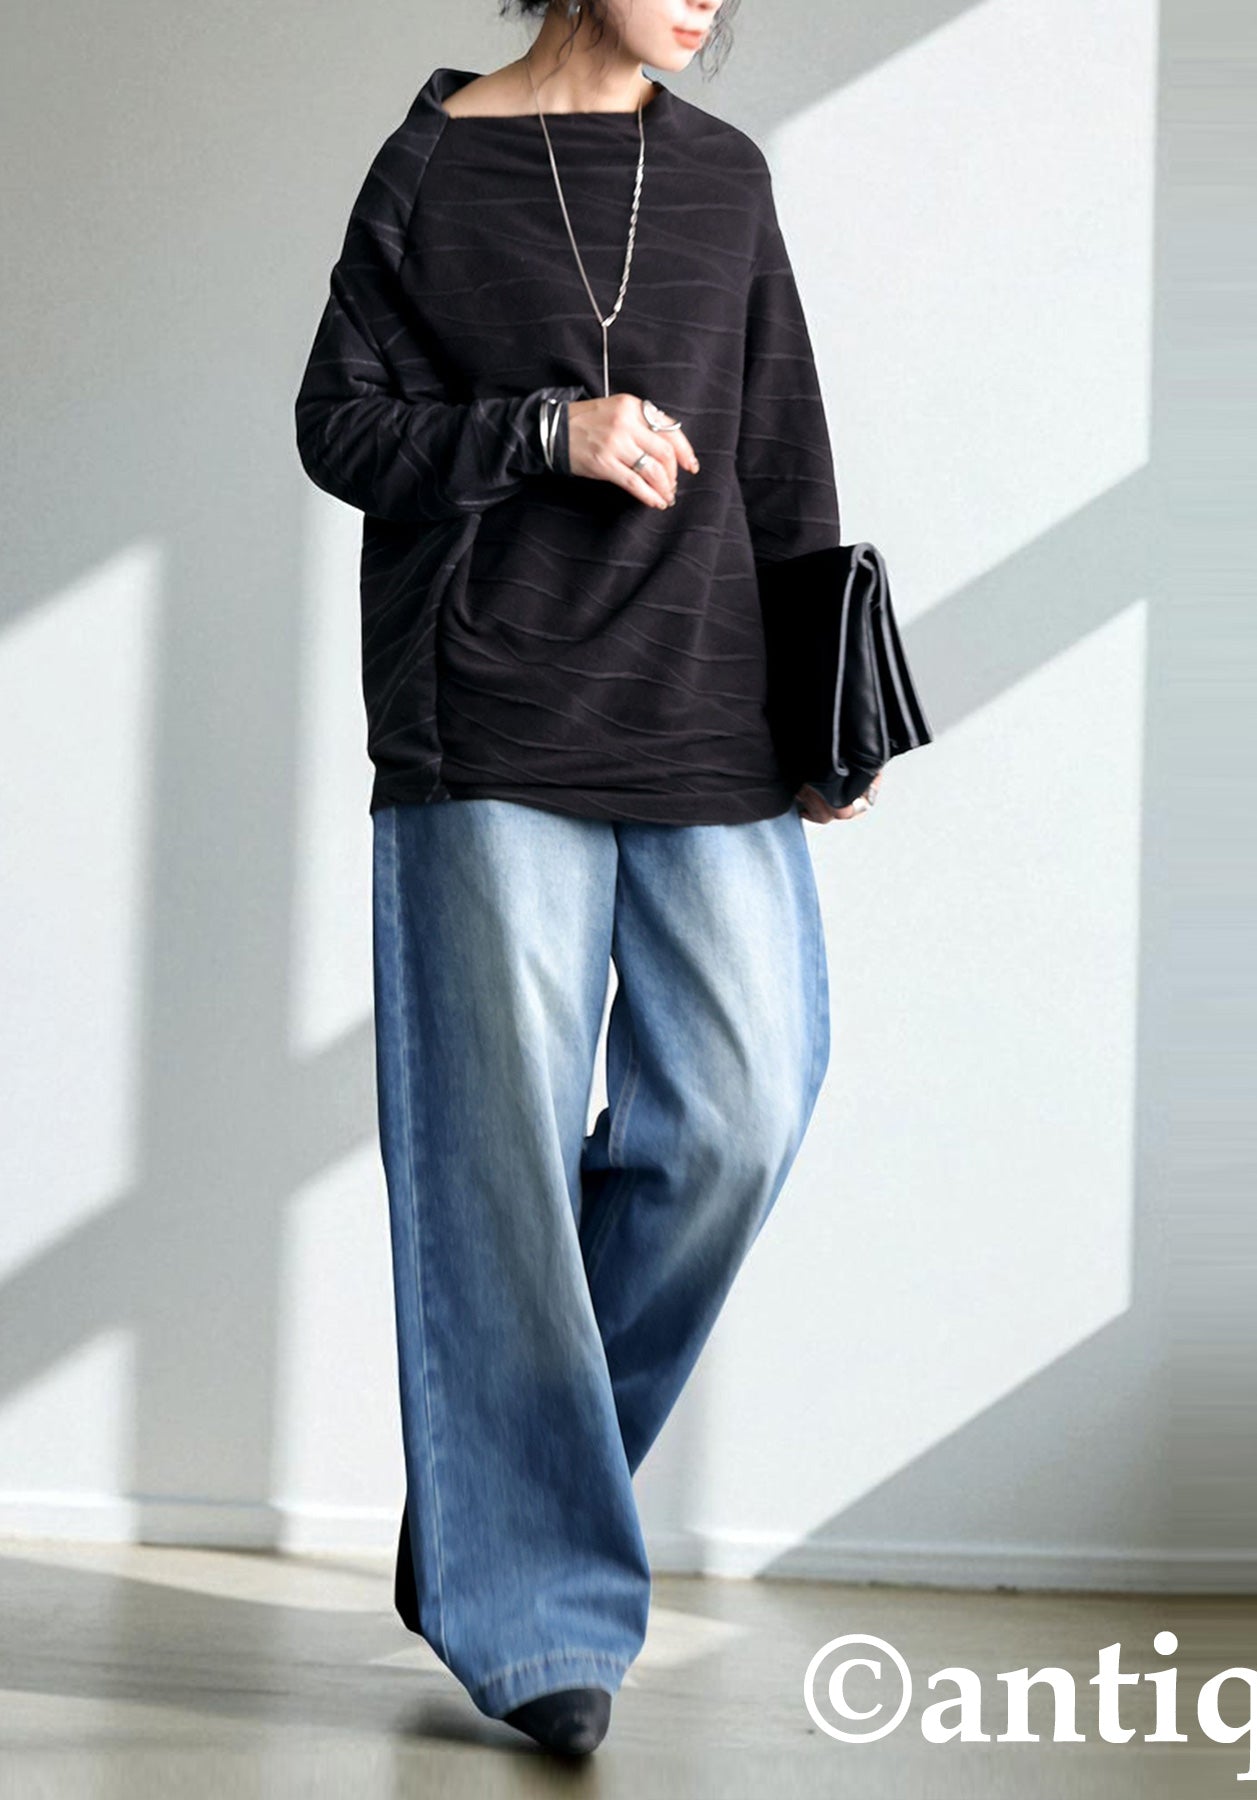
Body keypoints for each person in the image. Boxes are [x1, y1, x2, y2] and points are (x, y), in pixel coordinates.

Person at [293, 0, 882, 1758]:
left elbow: (782, 450)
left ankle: (495, 1508)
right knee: (497, 1161)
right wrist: (544, 431)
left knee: (741, 1114)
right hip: (487, 717)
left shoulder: (723, 179)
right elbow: (339, 429)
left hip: (704, 710)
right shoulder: (428, 167)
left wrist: (823, 708)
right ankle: (533, 1598)